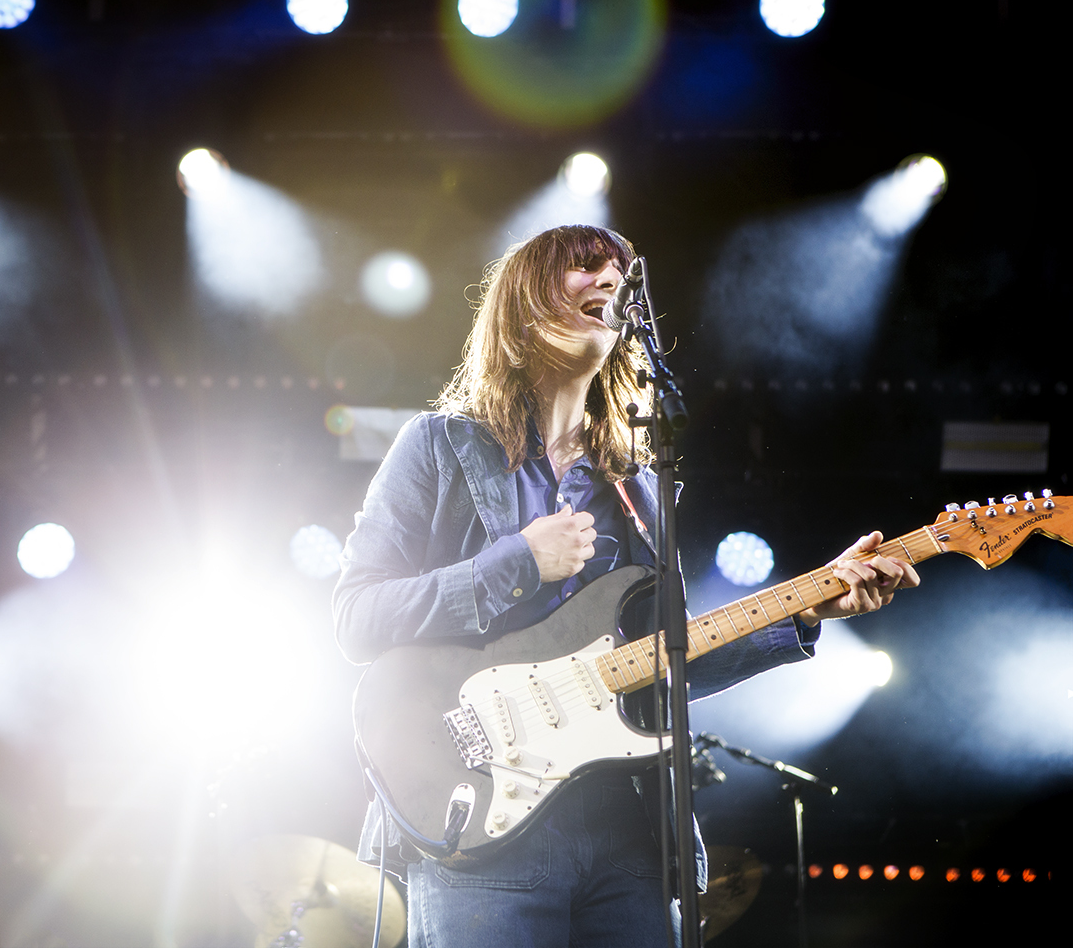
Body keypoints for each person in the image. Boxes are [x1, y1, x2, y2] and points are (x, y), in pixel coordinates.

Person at [332, 225, 919, 948]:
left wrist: (805, 611)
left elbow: (661, 661)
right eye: (584, 267)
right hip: (479, 810)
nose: (609, 280)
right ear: (521, 302)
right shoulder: (438, 445)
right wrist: (515, 561)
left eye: (620, 272)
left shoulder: (639, 484)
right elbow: (357, 619)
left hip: (626, 828)